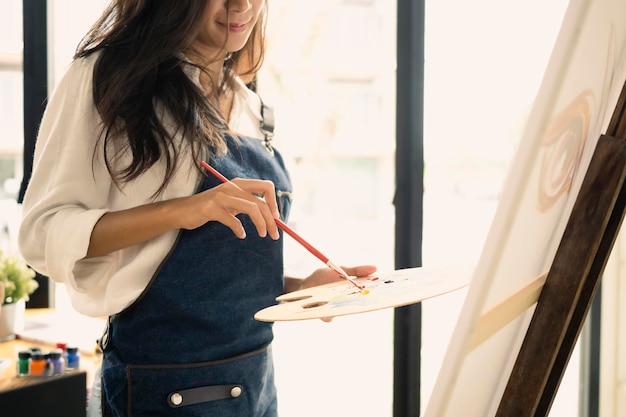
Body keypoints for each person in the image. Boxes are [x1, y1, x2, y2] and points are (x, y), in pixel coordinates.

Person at [17, 1, 376, 416]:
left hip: (257, 388)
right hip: (161, 390)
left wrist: (300, 287)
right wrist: (183, 209)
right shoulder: (107, 77)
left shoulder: (251, 108)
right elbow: (41, 234)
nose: (242, 6)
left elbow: (218, 270)